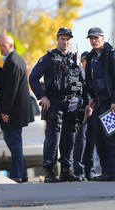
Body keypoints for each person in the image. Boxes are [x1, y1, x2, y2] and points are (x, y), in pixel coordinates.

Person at [29, 27, 87, 183]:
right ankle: (49, 172)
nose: (66, 42)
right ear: (57, 39)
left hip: (73, 105)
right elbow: (33, 78)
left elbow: (84, 82)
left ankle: (66, 171)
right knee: (53, 138)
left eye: (68, 39)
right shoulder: (48, 58)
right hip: (54, 102)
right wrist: (42, 97)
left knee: (69, 138)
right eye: (63, 39)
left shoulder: (75, 59)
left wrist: (86, 103)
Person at [84, 27, 115, 182]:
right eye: (91, 38)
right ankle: (106, 171)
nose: (94, 41)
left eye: (96, 38)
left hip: (111, 102)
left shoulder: (112, 54)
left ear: (103, 38)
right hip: (98, 101)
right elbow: (90, 79)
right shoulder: (91, 57)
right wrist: (92, 98)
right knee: (98, 137)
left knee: (110, 137)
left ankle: (113, 171)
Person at [0, 35, 34, 183]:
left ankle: (17, 174)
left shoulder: (12, 61)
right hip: (17, 109)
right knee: (14, 140)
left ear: (11, 46)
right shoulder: (16, 59)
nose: (1, 48)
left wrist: (5, 110)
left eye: (3, 46)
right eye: (0, 46)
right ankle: (22, 173)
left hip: (14, 111)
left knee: (13, 140)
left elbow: (11, 90)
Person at [73, 51, 97, 181]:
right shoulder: (77, 74)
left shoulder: (94, 75)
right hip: (81, 110)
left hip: (93, 109)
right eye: (85, 61)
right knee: (81, 140)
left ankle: (90, 170)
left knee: (92, 141)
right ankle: (79, 170)